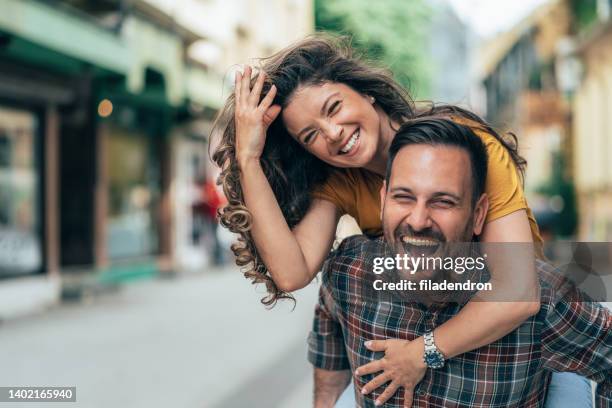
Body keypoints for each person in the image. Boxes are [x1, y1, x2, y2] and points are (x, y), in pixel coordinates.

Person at [212, 34, 542, 396]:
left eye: (334, 108)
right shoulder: (343, 183)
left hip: (522, 351)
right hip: (426, 358)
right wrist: (248, 158)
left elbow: (519, 291)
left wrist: (421, 353)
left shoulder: (462, 147)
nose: (333, 134)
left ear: (364, 91)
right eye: (311, 136)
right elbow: (292, 272)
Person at [309, 118, 611, 407]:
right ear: (384, 197)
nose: (418, 221)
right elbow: (329, 362)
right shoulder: (348, 271)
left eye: (443, 202)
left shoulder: (543, 300)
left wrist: (425, 351)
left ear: (478, 214)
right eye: (403, 197)